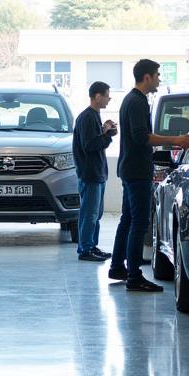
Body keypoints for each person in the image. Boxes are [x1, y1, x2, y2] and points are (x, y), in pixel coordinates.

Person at [109, 58, 189, 292]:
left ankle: (118, 266)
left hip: (130, 168)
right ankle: (134, 276)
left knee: (127, 219)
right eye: (157, 75)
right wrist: (175, 140)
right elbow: (141, 136)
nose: (159, 79)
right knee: (139, 223)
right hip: (136, 171)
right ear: (146, 77)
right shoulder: (136, 102)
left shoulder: (132, 100)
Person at [72, 81, 117, 263]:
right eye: (107, 95)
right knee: (89, 214)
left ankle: (92, 245)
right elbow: (90, 145)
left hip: (97, 173)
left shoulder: (94, 116)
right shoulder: (87, 117)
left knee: (96, 214)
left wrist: (104, 130)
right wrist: (106, 135)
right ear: (97, 96)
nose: (109, 99)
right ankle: (85, 249)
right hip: (90, 173)